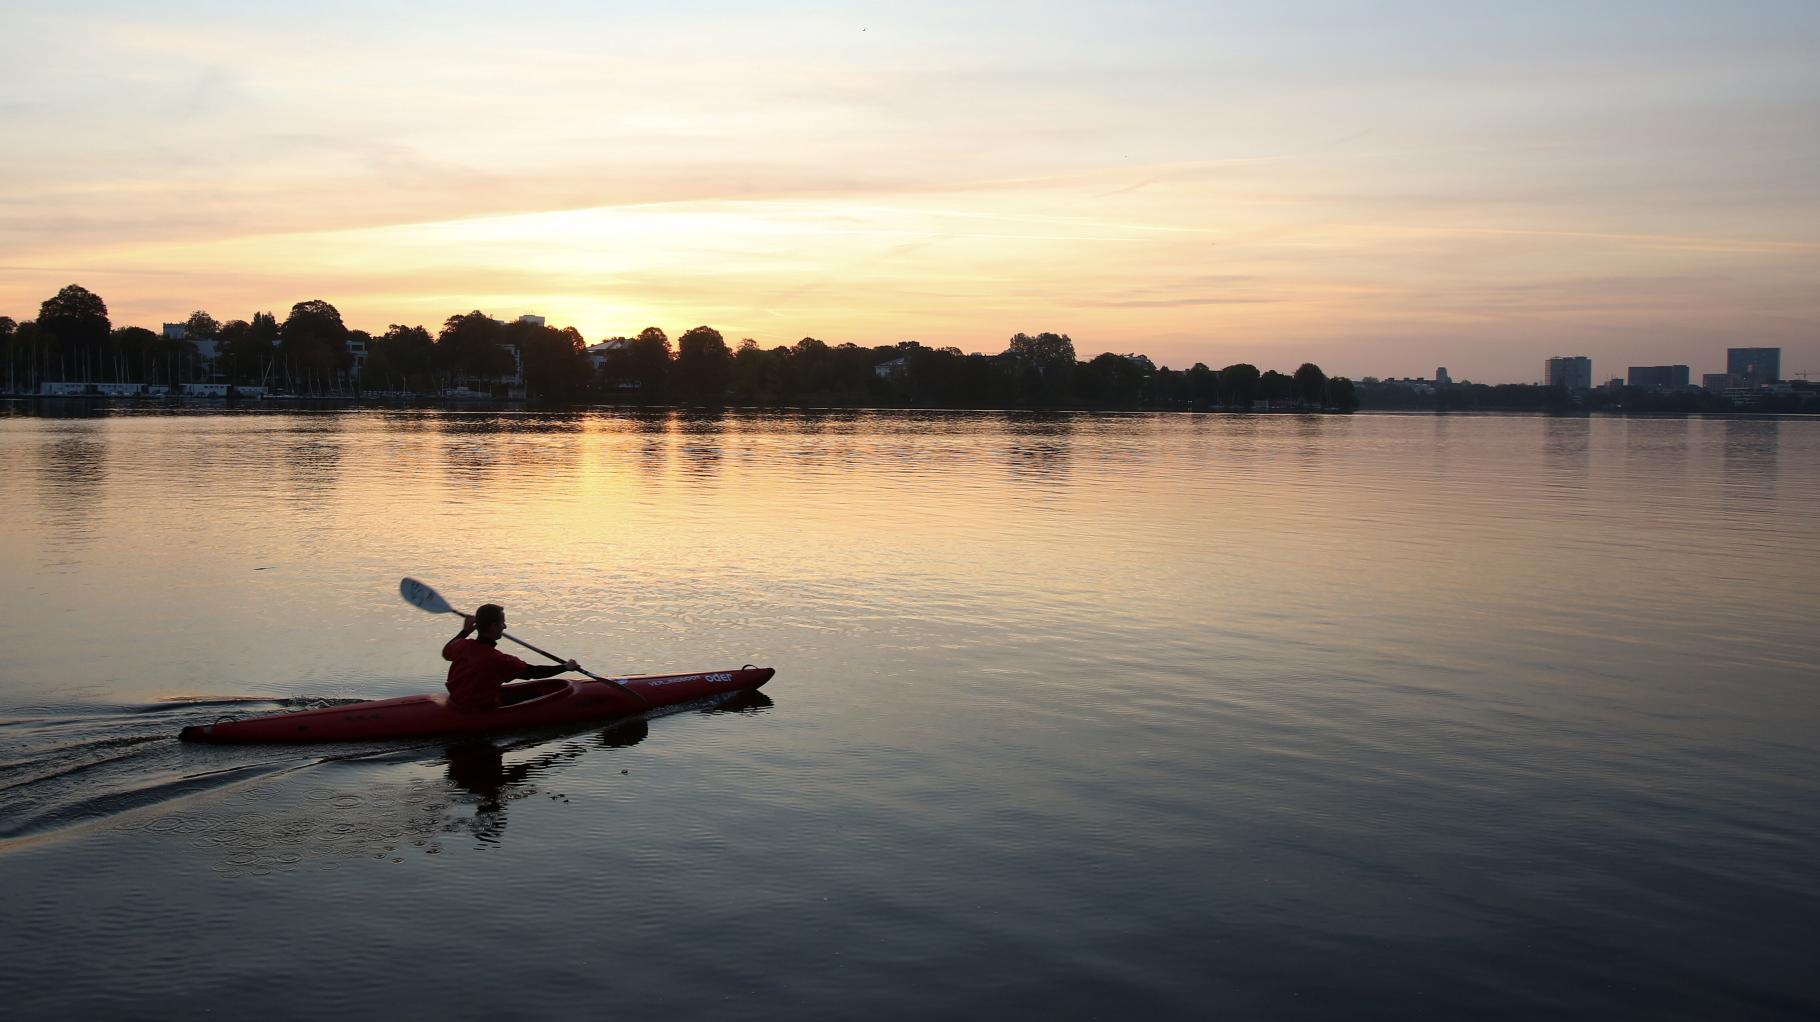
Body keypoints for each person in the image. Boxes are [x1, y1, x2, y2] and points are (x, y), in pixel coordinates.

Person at [442, 603, 580, 711]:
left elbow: (446, 652)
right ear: (493, 626)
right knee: (535, 694)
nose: (505, 627)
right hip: (479, 709)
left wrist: (465, 631)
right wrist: (565, 667)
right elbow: (533, 672)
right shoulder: (498, 660)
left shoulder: (461, 645)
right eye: (502, 622)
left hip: (457, 702)